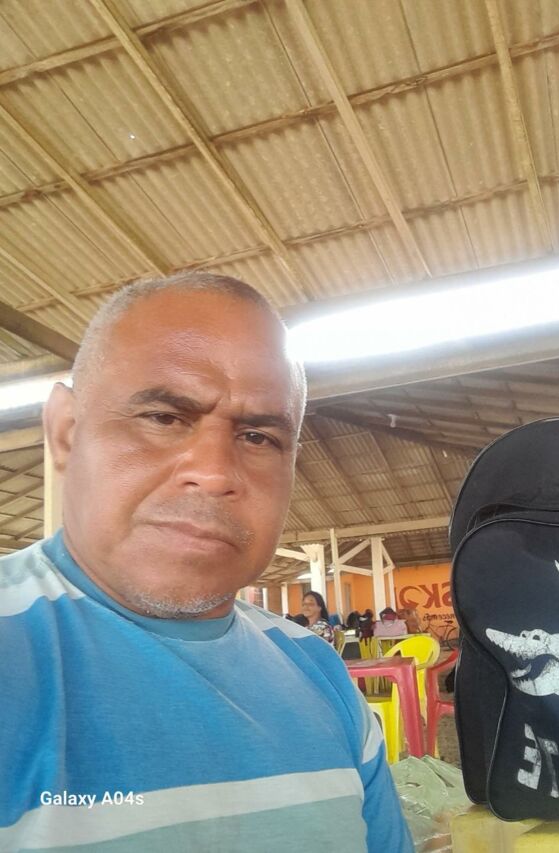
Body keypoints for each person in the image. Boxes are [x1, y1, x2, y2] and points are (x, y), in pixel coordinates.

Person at [0, 272, 412, 852]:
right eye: (163, 417)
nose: (215, 473)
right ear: (66, 432)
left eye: (258, 437)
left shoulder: (319, 673)